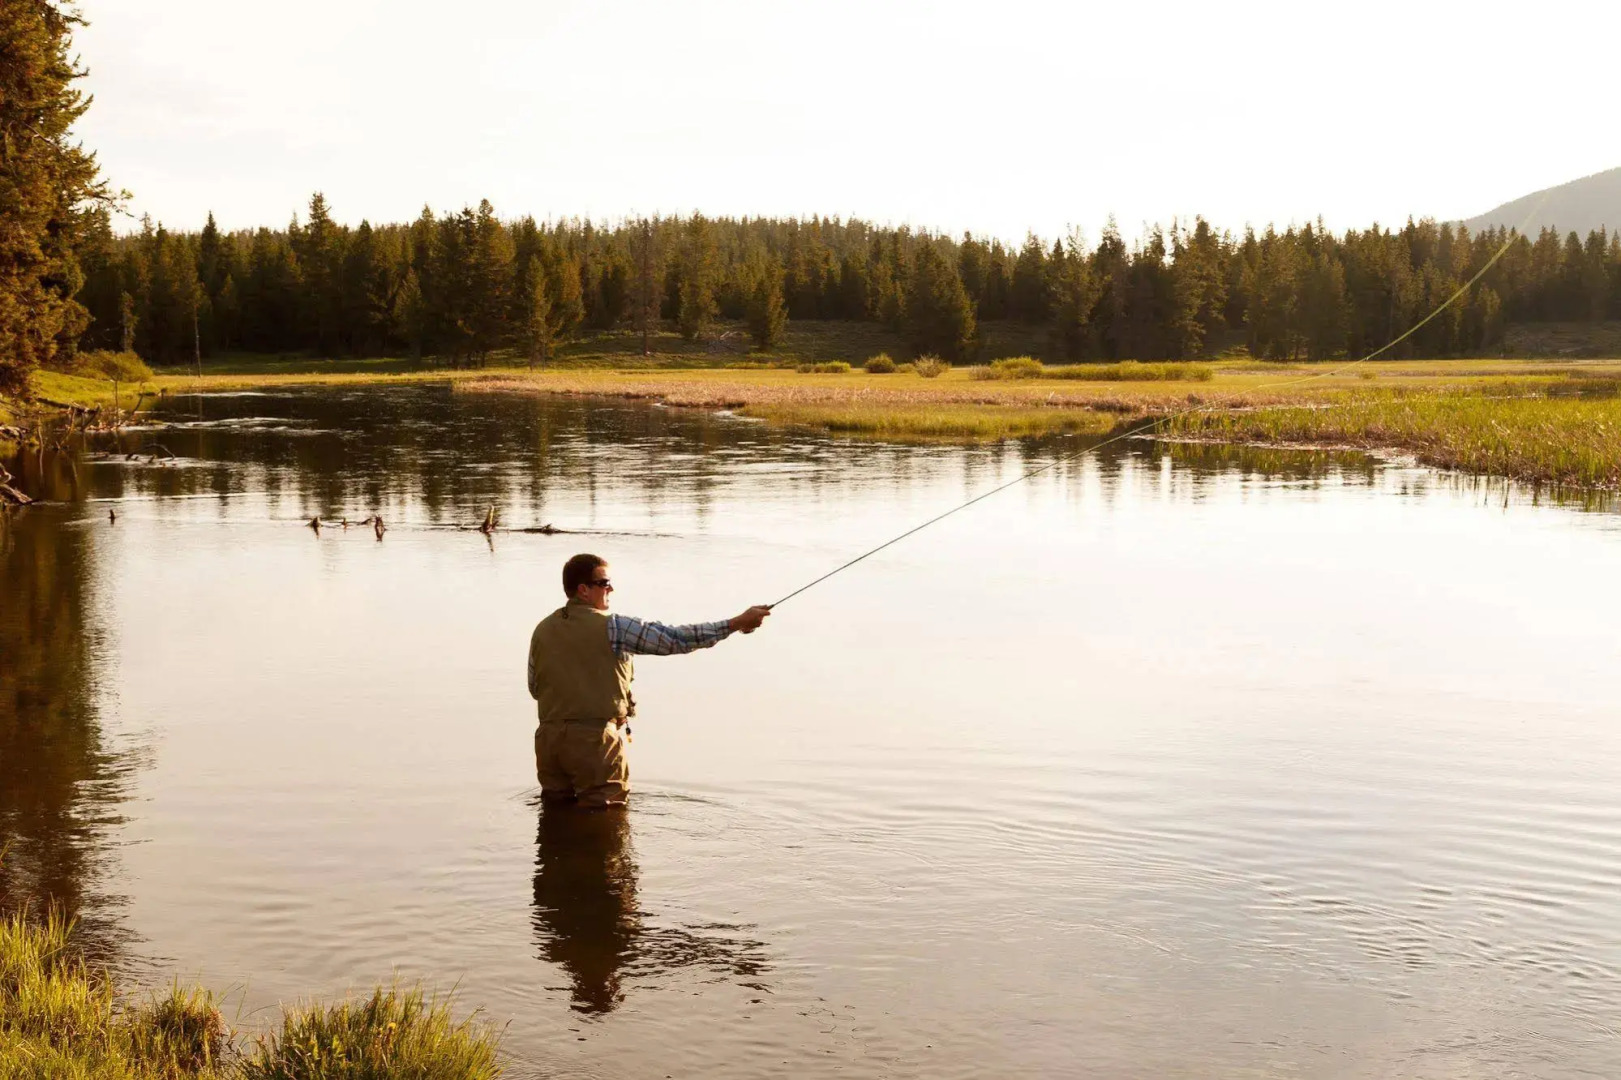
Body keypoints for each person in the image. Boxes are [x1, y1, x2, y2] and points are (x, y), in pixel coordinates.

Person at [526, 553, 769, 808]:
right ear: (583, 590)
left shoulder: (542, 630)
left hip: (548, 744)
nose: (611, 588)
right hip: (595, 742)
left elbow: (535, 688)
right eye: (604, 582)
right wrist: (735, 623)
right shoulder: (615, 627)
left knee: (555, 817)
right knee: (607, 822)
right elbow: (676, 639)